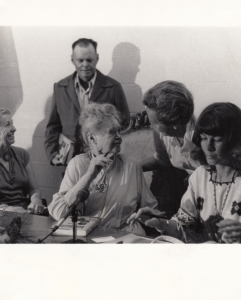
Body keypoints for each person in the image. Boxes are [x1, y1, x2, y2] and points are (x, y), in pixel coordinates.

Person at [128, 102, 241, 243]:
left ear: (236, 140)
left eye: (217, 140)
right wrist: (160, 223)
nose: (208, 147)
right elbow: (183, 228)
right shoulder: (200, 175)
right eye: (203, 138)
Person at [48, 103, 157, 235]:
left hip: (126, 237)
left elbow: (151, 211)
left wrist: (147, 215)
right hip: (88, 237)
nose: (119, 137)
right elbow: (59, 213)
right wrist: (89, 175)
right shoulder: (77, 164)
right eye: (112, 132)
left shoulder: (131, 165)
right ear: (92, 138)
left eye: (119, 130)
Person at [45, 38, 130, 166]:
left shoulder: (113, 87)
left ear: (97, 58)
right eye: (80, 60)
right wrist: (52, 154)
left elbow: (125, 123)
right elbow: (53, 126)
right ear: (72, 59)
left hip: (103, 159)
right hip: (71, 160)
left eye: (89, 60)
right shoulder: (60, 88)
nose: (85, 64)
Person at [0, 107, 44, 214]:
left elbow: (34, 189)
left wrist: (36, 200)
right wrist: (5, 209)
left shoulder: (22, 155)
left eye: (12, 123)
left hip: (26, 214)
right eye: (7, 125)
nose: (14, 128)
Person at [140, 80, 200, 173]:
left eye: (154, 123)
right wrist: (132, 167)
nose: (151, 126)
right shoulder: (160, 133)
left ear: (174, 123)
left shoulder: (204, 134)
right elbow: (162, 161)